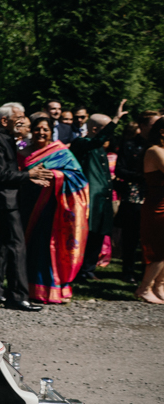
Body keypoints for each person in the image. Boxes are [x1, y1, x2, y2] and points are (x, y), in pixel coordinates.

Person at [0, 102, 53, 311]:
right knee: (17, 246)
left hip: (7, 198)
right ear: (4, 121)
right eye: (18, 118)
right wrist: (29, 175)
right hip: (3, 200)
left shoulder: (6, 139)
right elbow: (0, 175)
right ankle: (17, 296)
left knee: (1, 245)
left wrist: (28, 178)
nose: (23, 122)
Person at [18, 117, 90, 303]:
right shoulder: (22, 147)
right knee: (29, 245)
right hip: (27, 203)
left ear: (51, 132)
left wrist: (55, 174)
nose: (41, 133)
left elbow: (78, 177)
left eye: (45, 129)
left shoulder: (60, 151)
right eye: (37, 129)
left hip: (53, 206)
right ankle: (27, 287)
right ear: (31, 130)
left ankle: (51, 289)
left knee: (47, 246)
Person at [71, 100, 128, 280]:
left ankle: (88, 269)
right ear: (96, 130)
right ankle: (79, 270)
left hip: (103, 198)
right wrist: (116, 120)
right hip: (90, 198)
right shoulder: (82, 144)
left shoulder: (99, 148)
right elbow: (97, 141)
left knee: (99, 234)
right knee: (88, 234)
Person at [116, 111, 161, 283]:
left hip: (153, 194)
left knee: (151, 237)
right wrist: (142, 177)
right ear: (143, 126)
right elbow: (120, 169)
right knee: (131, 234)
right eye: (153, 124)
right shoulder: (129, 145)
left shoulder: (158, 146)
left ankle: (147, 272)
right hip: (134, 195)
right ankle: (127, 270)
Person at [136, 119, 164, 303]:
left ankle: (159, 286)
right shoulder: (154, 150)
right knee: (158, 249)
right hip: (158, 207)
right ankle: (144, 288)